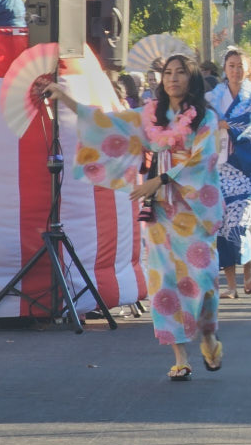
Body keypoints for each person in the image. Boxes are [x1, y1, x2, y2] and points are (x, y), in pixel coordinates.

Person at [44, 54, 225, 380]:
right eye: (168, 73)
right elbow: (109, 123)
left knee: (204, 278)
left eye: (180, 73)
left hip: (194, 209)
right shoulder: (151, 114)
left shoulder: (205, 118)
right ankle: (180, 355)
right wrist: (65, 98)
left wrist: (163, 179)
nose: (173, 78)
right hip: (160, 212)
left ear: (192, 78)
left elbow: (204, 160)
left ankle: (208, 334)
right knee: (164, 282)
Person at [207, 47, 251, 299]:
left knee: (238, 223)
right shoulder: (211, 97)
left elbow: (250, 120)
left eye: (240, 66)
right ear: (224, 68)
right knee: (222, 226)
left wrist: (222, 123)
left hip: (245, 167)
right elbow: (204, 120)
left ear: (248, 69)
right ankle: (231, 285)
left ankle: (249, 264)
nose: (235, 70)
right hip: (219, 167)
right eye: (231, 65)